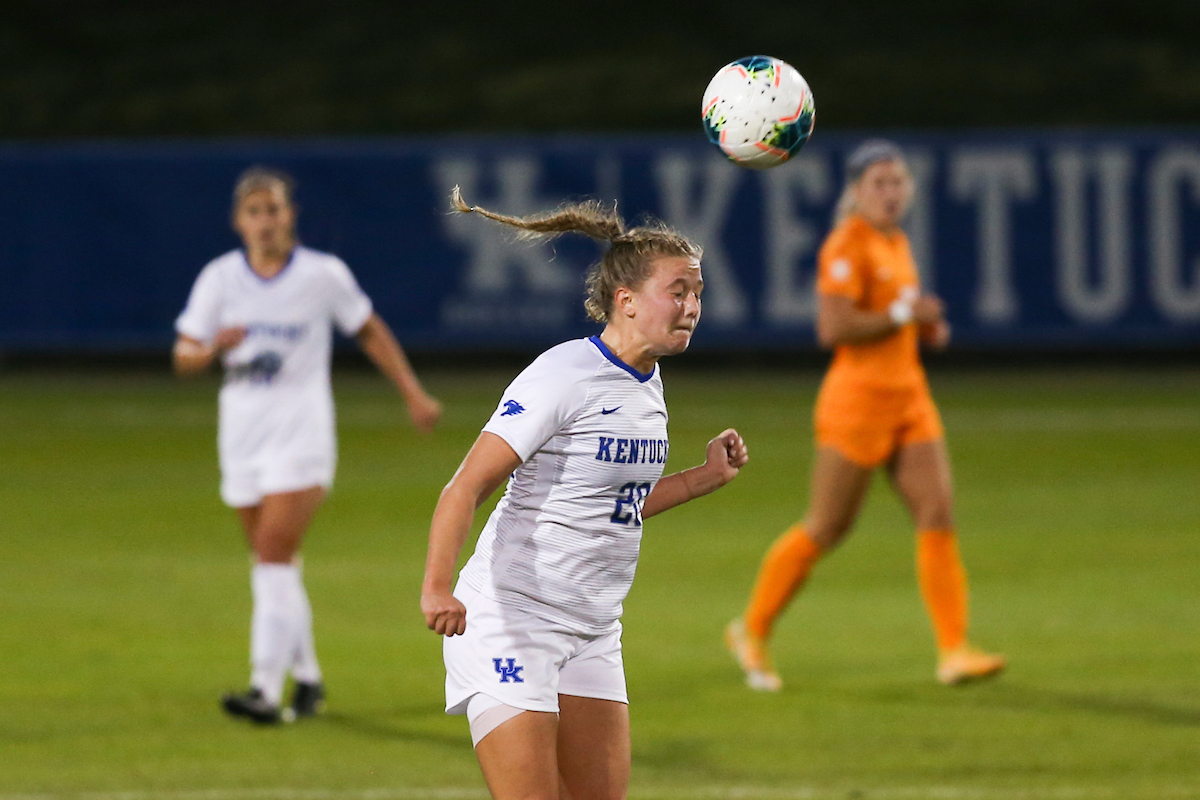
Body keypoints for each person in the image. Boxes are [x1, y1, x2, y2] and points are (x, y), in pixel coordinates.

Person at [421, 188, 749, 799]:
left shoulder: (648, 387)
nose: (693, 306)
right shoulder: (563, 375)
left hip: (594, 629)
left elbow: (612, 509)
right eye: (678, 291)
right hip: (509, 620)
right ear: (625, 301)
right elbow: (466, 485)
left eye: (698, 293)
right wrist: (437, 585)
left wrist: (703, 478)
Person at [725, 140, 1005, 691]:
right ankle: (751, 629)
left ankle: (953, 650)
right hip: (857, 405)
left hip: (908, 398)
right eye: (879, 183)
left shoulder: (894, 241)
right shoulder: (845, 245)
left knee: (937, 512)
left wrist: (920, 325)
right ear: (855, 191)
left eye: (898, 182)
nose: (891, 193)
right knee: (827, 527)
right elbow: (833, 328)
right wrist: (904, 312)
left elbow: (891, 313)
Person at [173, 166, 442, 724]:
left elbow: (368, 328)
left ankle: (265, 691)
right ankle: (310, 678)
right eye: (254, 212)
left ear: (289, 215)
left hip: (301, 436)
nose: (265, 222)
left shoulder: (322, 274)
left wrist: (412, 392)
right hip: (242, 436)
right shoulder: (221, 279)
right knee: (274, 564)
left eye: (273, 210)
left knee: (273, 553)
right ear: (238, 222)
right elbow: (184, 356)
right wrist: (211, 349)